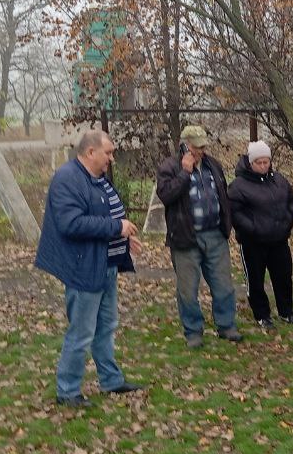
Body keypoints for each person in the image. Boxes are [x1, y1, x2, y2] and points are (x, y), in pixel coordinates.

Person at [35, 129, 145, 407]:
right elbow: (71, 223)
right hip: (83, 267)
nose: (111, 158)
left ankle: (111, 380)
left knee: (106, 326)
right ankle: (67, 390)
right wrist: (116, 227)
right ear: (90, 152)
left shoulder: (97, 179)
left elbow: (104, 215)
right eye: (108, 153)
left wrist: (123, 238)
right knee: (82, 331)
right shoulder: (67, 179)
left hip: (106, 265)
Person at [155, 124, 242, 348]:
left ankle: (226, 325)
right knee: (187, 289)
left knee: (223, 284)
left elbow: (223, 195)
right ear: (185, 146)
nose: (201, 151)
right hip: (185, 237)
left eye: (203, 146)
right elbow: (166, 195)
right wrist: (185, 173)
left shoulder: (214, 165)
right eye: (196, 147)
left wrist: (227, 224)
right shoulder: (170, 167)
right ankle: (193, 331)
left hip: (215, 235)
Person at [229, 140, 293, 328]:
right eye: (259, 162)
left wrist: (287, 223)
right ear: (251, 163)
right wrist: (253, 229)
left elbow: (291, 202)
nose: (263, 166)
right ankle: (262, 315)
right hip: (253, 242)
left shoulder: (279, 180)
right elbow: (235, 213)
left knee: (283, 277)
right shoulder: (238, 186)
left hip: (279, 240)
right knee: (255, 280)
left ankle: (286, 312)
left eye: (266, 162)